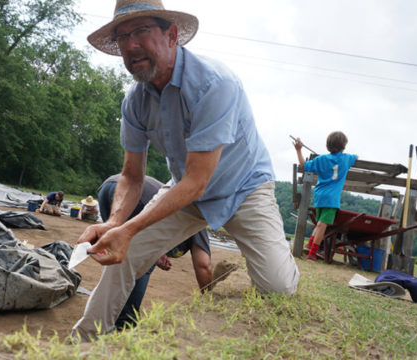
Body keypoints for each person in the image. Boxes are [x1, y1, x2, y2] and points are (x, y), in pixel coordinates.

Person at [72, 0, 300, 340]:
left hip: (244, 188)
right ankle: (84, 342)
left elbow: (198, 180)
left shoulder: (214, 84)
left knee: (279, 290)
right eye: (121, 37)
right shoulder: (135, 100)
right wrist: (114, 223)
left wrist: (130, 227)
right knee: (127, 252)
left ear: (172, 35)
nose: (130, 46)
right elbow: (132, 176)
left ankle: (278, 261)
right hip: (186, 188)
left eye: (141, 31)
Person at [98, 174, 213, 330]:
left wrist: (157, 254)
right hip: (136, 195)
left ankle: (102, 315)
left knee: (118, 255)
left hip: (110, 186)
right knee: (142, 264)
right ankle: (125, 323)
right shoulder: (197, 221)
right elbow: (203, 265)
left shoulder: (181, 213)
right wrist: (210, 299)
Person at [293, 132, 357, 261]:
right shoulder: (346, 159)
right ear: (343, 146)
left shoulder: (320, 159)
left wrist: (299, 150)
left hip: (319, 196)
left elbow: (304, 165)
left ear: (328, 145)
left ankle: (309, 245)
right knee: (322, 225)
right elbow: (356, 157)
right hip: (331, 199)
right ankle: (312, 254)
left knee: (319, 224)